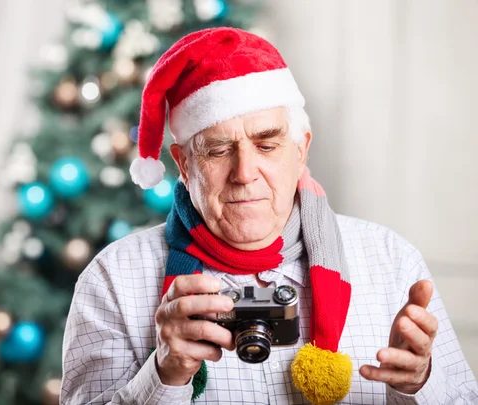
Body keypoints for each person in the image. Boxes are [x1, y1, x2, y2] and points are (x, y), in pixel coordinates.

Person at [60, 27, 478, 405]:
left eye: (267, 144)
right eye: (219, 149)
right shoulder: (113, 280)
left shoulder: (390, 262)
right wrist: (163, 377)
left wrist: (421, 384)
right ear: (185, 165)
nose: (244, 174)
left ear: (301, 150)